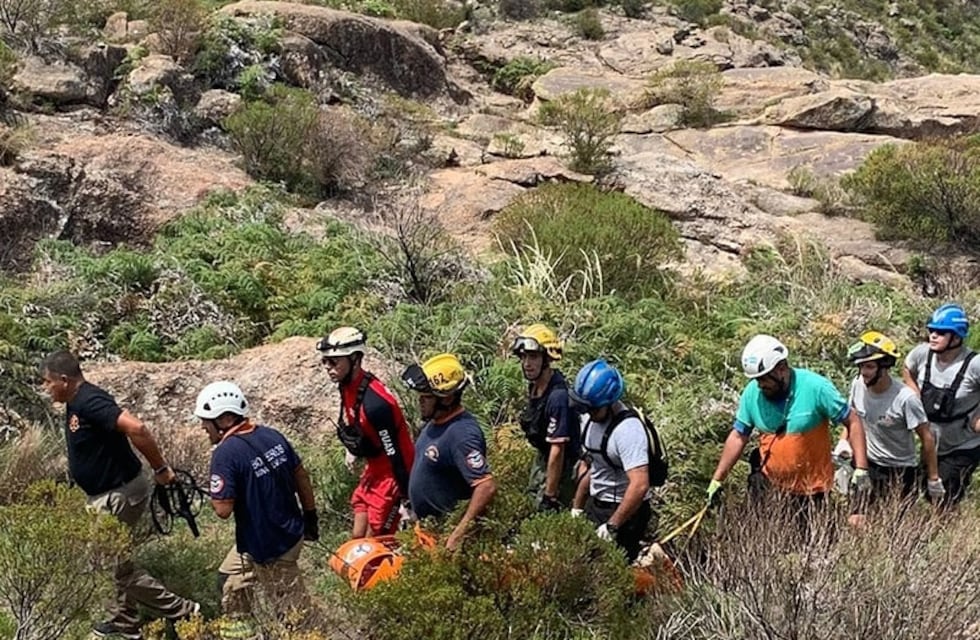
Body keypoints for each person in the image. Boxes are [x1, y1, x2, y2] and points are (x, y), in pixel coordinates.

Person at [39, 350, 199, 640]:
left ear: (64, 380)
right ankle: (123, 622)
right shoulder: (77, 401)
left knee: (114, 567)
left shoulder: (89, 401)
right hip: (105, 495)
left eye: (47, 382)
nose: (46, 388)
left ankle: (184, 612)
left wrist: (161, 468)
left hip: (118, 494)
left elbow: (136, 427)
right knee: (110, 563)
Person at [706, 335, 870, 526]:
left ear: (781, 369)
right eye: (757, 379)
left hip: (812, 491)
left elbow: (853, 420)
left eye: (764, 378)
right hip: (769, 485)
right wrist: (717, 479)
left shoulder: (816, 388)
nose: (760, 385)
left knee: (811, 547)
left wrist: (861, 469)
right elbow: (738, 435)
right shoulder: (752, 394)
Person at [194, 381, 318, 632]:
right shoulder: (270, 435)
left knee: (297, 617)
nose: (203, 427)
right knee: (229, 579)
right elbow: (301, 477)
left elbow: (222, 510)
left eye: (206, 420)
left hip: (271, 545)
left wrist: (218, 489)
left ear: (225, 419)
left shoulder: (225, 453)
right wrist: (311, 518)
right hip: (284, 532)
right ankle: (244, 631)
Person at [317, 326, 415, 538]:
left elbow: (395, 453)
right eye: (325, 361)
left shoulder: (376, 404)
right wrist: (351, 450)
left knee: (375, 543)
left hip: (393, 476)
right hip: (374, 469)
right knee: (357, 538)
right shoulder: (347, 385)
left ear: (354, 359)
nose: (328, 367)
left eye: (334, 362)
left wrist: (407, 499)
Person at [837, 331, 943, 508]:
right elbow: (853, 419)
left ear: (884, 367)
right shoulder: (858, 385)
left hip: (899, 469)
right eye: (861, 366)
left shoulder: (905, 399)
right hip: (867, 463)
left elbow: (927, 437)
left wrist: (933, 478)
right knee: (856, 519)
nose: (864, 372)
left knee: (893, 526)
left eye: (870, 367)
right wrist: (843, 442)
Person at [401, 353, 496, 551]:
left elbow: (485, 486)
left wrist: (458, 534)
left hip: (444, 536)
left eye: (427, 396)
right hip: (426, 533)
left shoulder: (462, 433)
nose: (421, 401)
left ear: (447, 397)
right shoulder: (434, 423)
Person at [570, 359, 652, 562]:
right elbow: (593, 465)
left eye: (593, 409)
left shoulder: (628, 431)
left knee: (613, 569)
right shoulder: (589, 420)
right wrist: (577, 507)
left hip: (625, 512)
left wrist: (613, 525)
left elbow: (640, 484)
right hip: (597, 504)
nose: (588, 413)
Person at [902, 303, 980, 507]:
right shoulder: (922, 354)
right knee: (923, 488)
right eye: (932, 331)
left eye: (941, 332)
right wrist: (914, 394)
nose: (933, 336)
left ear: (956, 337)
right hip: (931, 442)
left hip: (963, 444)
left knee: (945, 494)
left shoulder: (974, 365)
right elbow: (907, 368)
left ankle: (944, 532)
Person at [510, 323, 581, 511]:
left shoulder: (558, 397)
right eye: (523, 357)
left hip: (563, 464)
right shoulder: (535, 386)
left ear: (547, 359)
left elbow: (558, 449)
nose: (527, 363)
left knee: (547, 511)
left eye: (533, 357)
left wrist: (550, 495)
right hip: (543, 456)